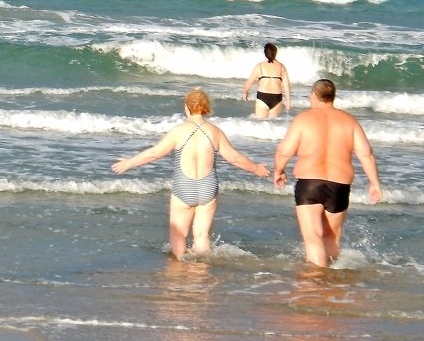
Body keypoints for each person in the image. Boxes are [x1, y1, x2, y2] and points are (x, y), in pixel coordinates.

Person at [111, 88, 271, 258]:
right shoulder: (215, 131)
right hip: (208, 187)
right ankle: (200, 277)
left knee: (179, 234)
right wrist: (256, 168)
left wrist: (129, 163)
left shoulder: (179, 131)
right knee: (202, 237)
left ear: (187, 107)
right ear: (206, 108)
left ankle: (179, 272)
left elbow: (154, 153)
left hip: (184, 188)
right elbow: (234, 158)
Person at [273, 78, 383, 267]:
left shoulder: (303, 119)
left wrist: (279, 171)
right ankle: (331, 289)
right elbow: (366, 154)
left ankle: (317, 280)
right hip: (339, 186)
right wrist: (374, 183)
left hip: (310, 184)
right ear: (333, 97)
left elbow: (284, 151)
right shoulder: (349, 121)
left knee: (313, 237)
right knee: (331, 239)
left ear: (313, 96)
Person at [242, 42, 291, 119]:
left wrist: (245, 93)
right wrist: (288, 102)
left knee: (260, 124)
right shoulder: (281, 67)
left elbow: (249, 82)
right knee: (272, 124)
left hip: (263, 97)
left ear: (265, 53)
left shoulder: (260, 66)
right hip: (277, 98)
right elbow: (286, 85)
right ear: (275, 53)